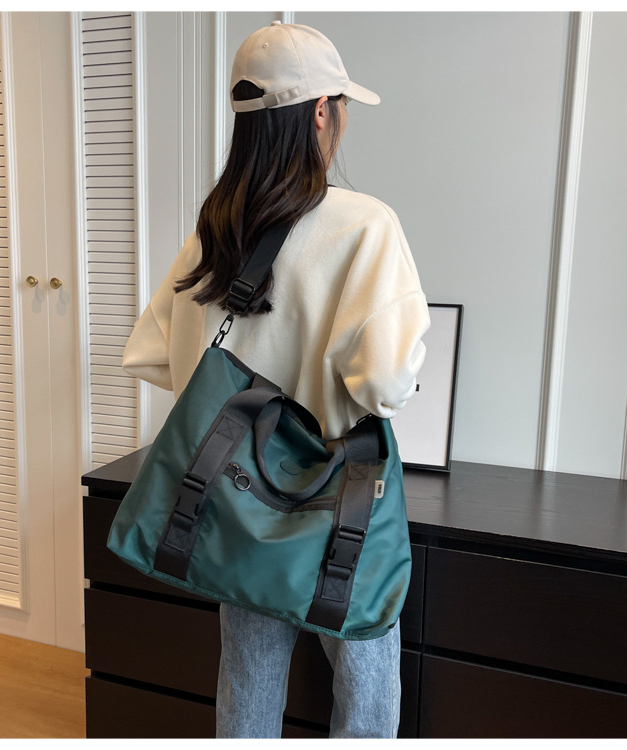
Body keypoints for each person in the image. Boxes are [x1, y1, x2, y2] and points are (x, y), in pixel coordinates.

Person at [122, 21, 430, 739]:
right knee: (365, 685)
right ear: (322, 111)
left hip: (237, 495)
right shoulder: (365, 226)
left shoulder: (214, 230)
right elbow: (385, 385)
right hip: (339, 499)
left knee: (247, 682)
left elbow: (157, 357)